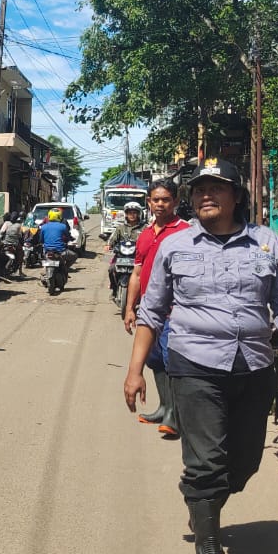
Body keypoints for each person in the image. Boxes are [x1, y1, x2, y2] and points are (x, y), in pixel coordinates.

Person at [124, 159, 278, 554]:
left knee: (245, 463)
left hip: (254, 367)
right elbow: (152, 312)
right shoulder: (174, 247)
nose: (205, 197)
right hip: (194, 366)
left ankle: (201, 501)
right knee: (208, 464)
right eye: (198, 191)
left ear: (239, 196)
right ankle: (209, 553)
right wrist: (135, 370)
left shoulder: (265, 243)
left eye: (217, 189)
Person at [124, 181, 188, 438]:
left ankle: (175, 413)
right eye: (155, 200)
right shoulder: (145, 234)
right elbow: (137, 273)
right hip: (150, 311)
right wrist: (130, 308)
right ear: (148, 203)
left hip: (176, 309)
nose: (160, 204)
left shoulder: (185, 231)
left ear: (175, 202)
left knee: (171, 362)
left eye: (166, 199)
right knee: (154, 360)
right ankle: (164, 407)